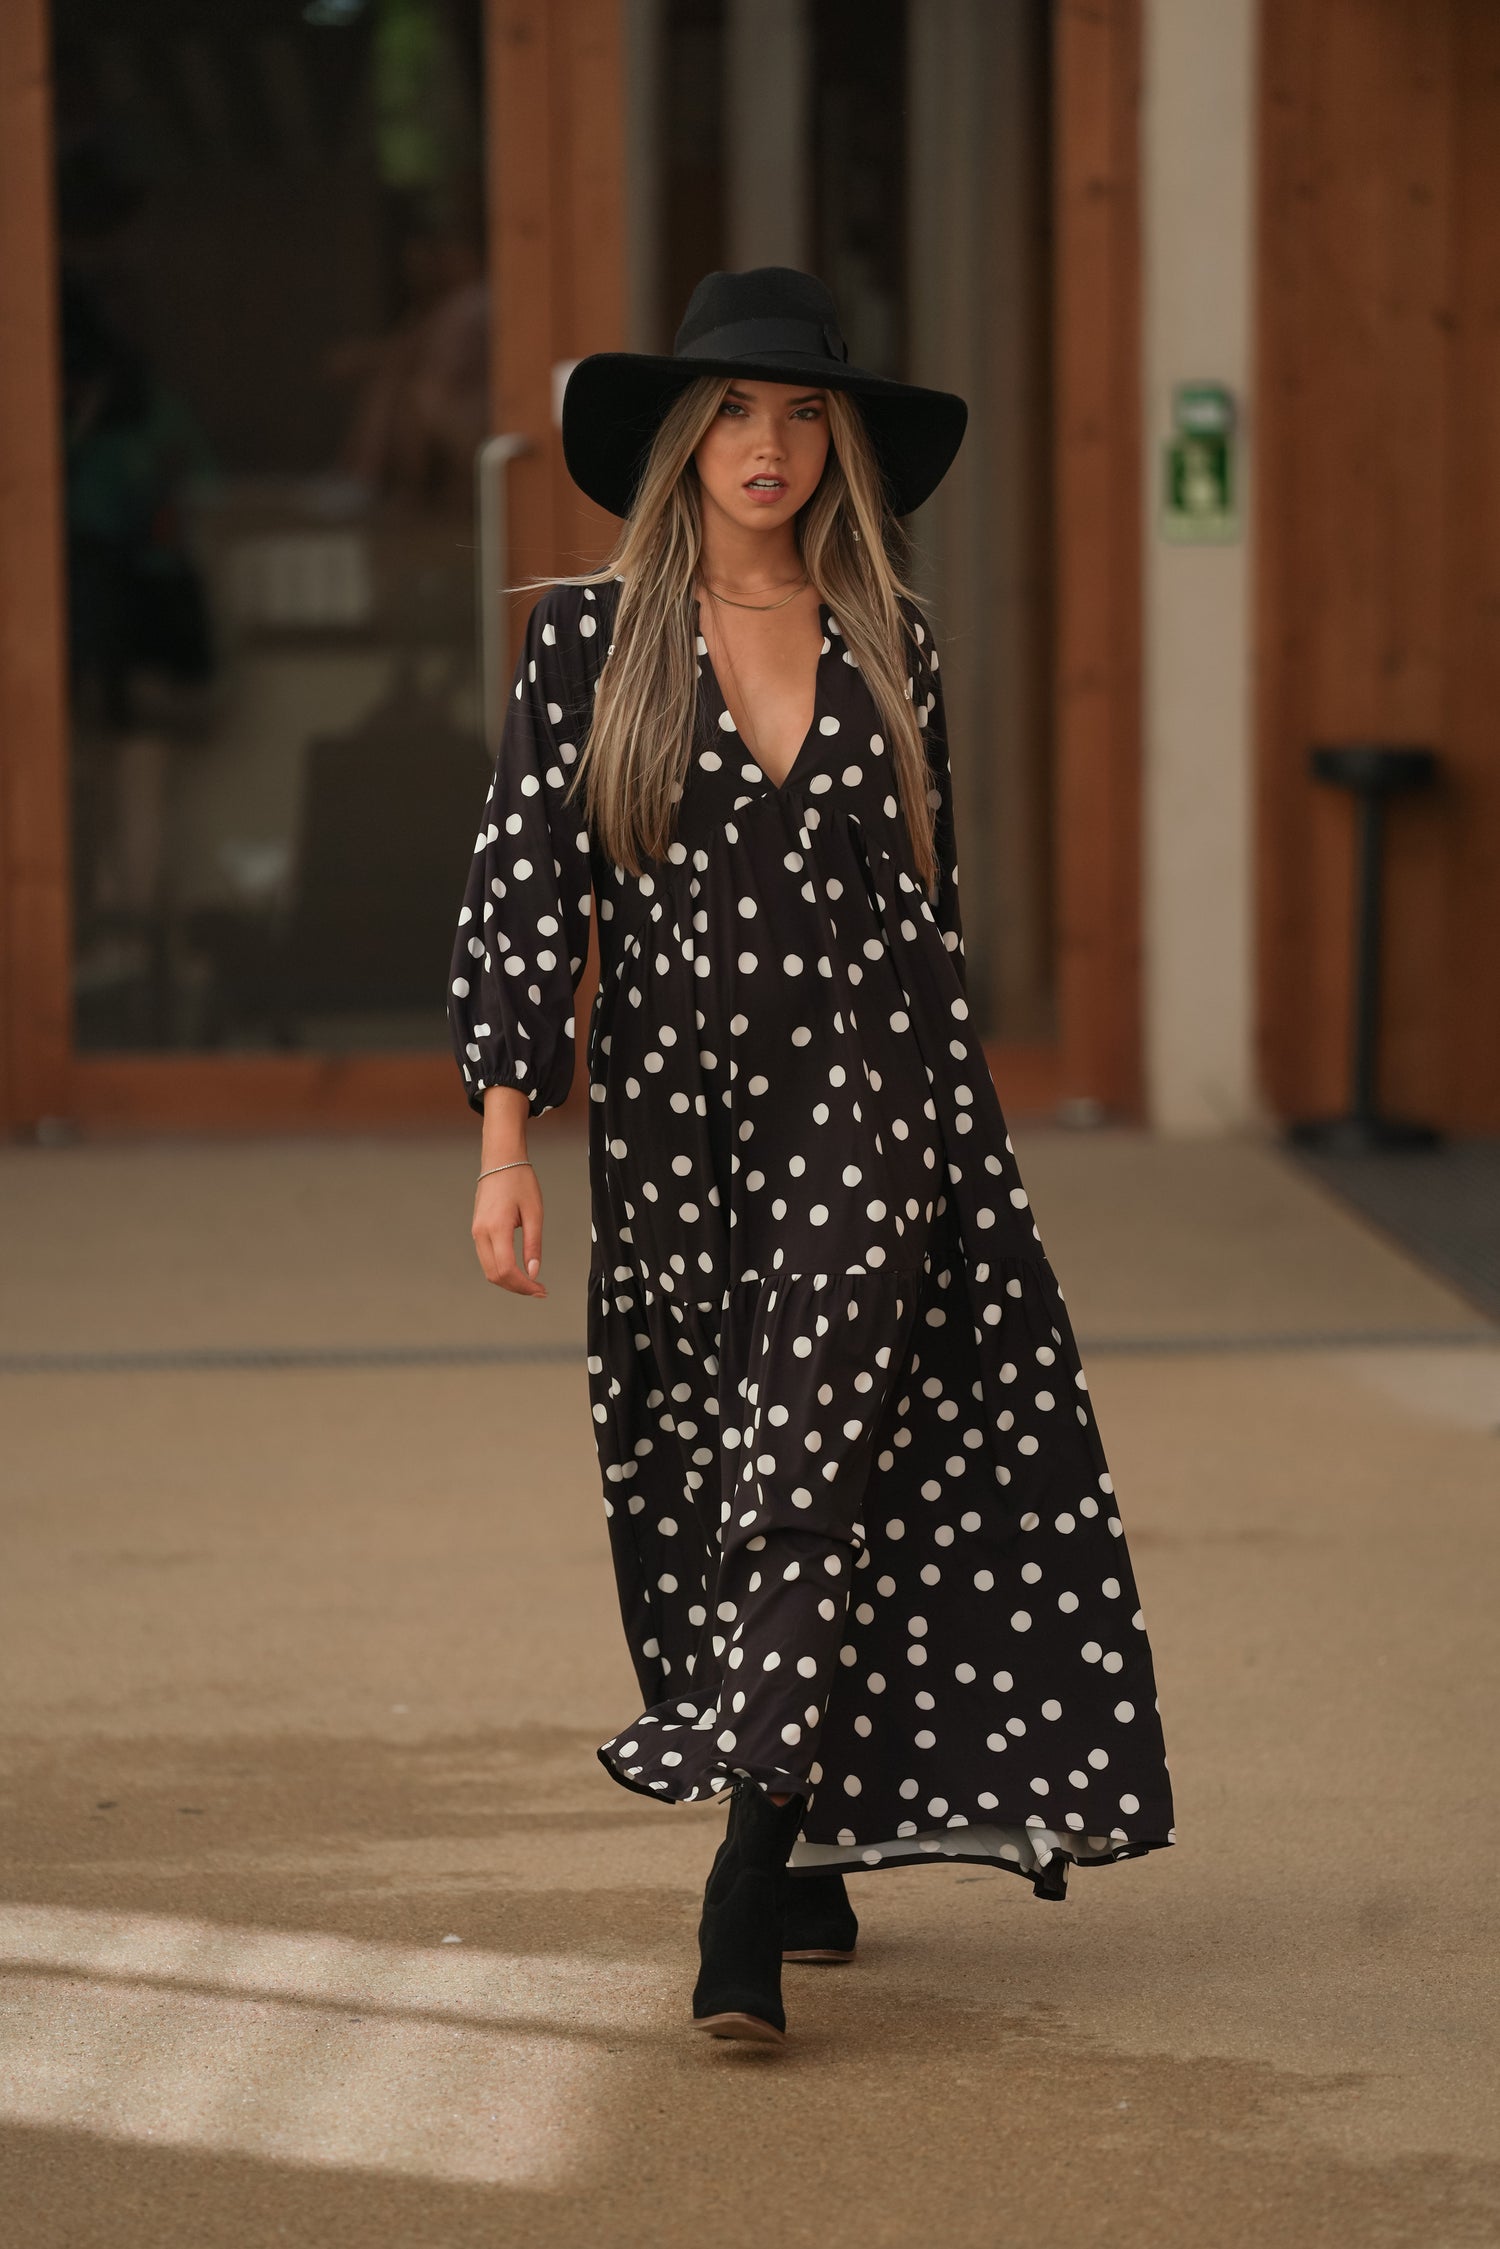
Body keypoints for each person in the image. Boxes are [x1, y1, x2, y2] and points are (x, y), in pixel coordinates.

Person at [448, 267, 1174, 2048]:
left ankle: (746, 1869)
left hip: (870, 1102)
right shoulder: (587, 641)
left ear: (840, 443)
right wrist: (504, 1147)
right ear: (682, 440)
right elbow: (527, 899)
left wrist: (967, 1163)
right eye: (736, 413)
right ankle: (812, 1822)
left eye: (803, 415)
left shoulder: (887, 637)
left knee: (810, 1461)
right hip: (675, 1131)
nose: (768, 446)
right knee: (707, 1466)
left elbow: (931, 915)